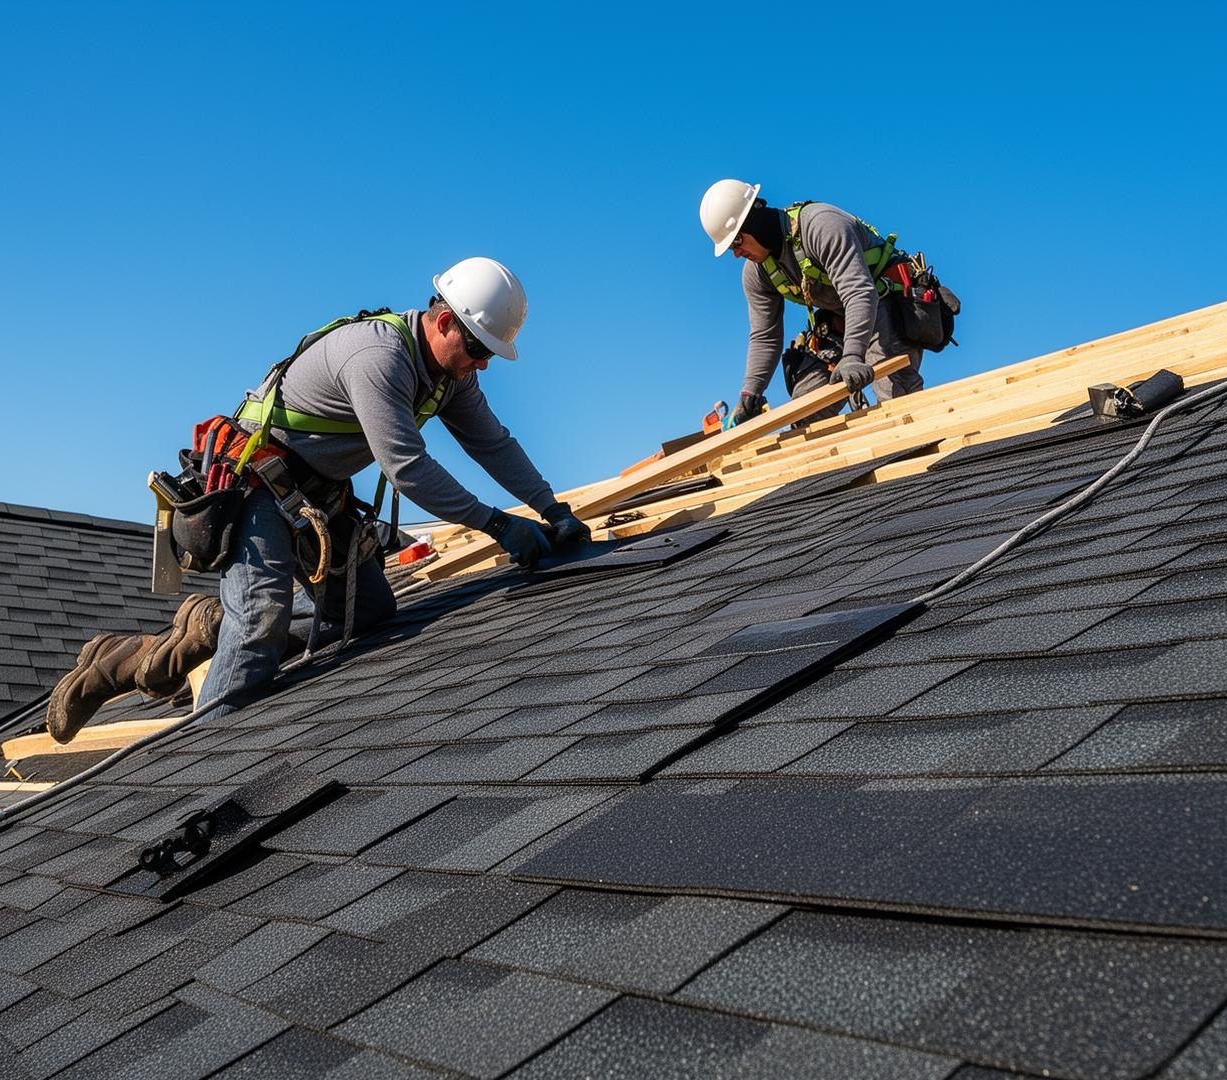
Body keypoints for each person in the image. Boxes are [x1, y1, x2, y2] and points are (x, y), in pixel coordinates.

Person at [46, 257, 587, 740]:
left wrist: (551, 508)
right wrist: (497, 525)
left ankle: (205, 628)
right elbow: (407, 467)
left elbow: (492, 442)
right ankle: (200, 755)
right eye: (476, 349)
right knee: (259, 623)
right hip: (260, 483)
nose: (482, 364)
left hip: (318, 495)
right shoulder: (378, 357)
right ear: (444, 321)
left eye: (488, 354)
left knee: (368, 611)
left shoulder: (449, 377)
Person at [699, 179, 927, 427]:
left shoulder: (821, 225)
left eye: (737, 242)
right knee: (805, 414)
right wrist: (750, 393)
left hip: (882, 300)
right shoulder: (757, 273)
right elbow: (765, 336)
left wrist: (852, 356)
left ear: (754, 221)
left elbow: (859, 291)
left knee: (895, 395)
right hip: (839, 320)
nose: (736, 253)